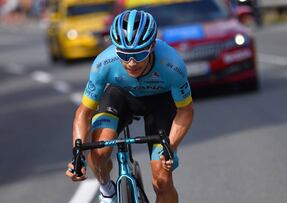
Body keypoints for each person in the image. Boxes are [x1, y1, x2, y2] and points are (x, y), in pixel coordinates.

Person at [65, 9, 194, 203]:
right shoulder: (103, 64)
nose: (131, 63)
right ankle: (107, 189)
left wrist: (171, 146)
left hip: (160, 101)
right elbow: (84, 112)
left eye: (139, 54)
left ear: (151, 46)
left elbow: (185, 111)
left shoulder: (172, 65)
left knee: (162, 180)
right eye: (123, 54)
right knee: (99, 152)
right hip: (120, 96)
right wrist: (78, 156)